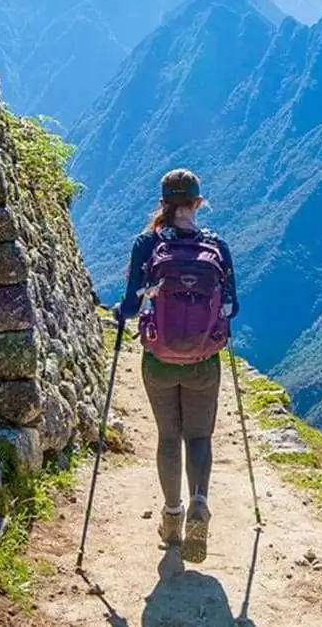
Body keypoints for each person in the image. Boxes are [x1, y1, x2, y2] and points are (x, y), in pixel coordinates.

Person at [113, 168, 239, 564]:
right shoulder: (216, 246)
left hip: (160, 361)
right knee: (199, 437)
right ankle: (200, 501)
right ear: (198, 203)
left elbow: (132, 307)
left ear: (163, 203)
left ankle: (172, 516)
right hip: (204, 361)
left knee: (169, 436)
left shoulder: (147, 244)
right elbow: (233, 306)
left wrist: (120, 312)